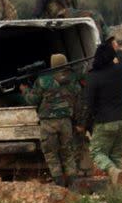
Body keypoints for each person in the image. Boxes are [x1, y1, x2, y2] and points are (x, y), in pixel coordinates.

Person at [21, 54, 80, 187]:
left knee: (51, 154)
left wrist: (25, 91)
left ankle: (59, 185)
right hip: (66, 121)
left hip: (48, 123)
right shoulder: (72, 78)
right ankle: (73, 185)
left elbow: (33, 100)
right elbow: (77, 93)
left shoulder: (43, 80)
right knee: (68, 152)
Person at [81, 39, 122, 184]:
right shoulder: (121, 71)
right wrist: (117, 50)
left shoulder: (93, 77)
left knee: (96, 152)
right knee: (115, 156)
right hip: (121, 121)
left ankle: (113, 171)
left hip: (104, 122)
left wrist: (85, 125)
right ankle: (119, 188)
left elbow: (89, 105)